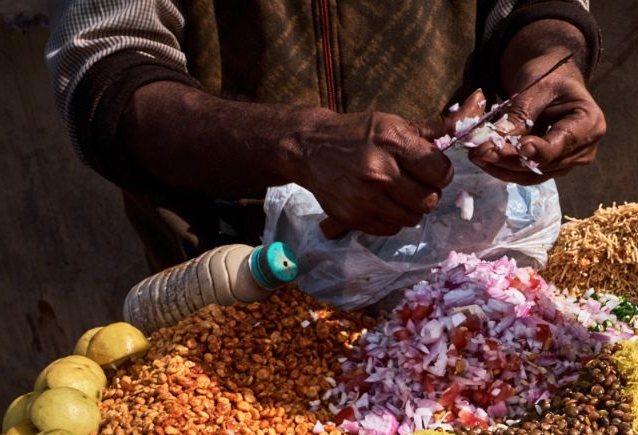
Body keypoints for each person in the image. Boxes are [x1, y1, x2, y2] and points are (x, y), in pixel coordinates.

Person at [45, 1, 607, 272]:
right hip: (230, 265)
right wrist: (299, 143)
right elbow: (105, 75)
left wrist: (549, 60)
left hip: (453, 259)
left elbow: (539, 6)